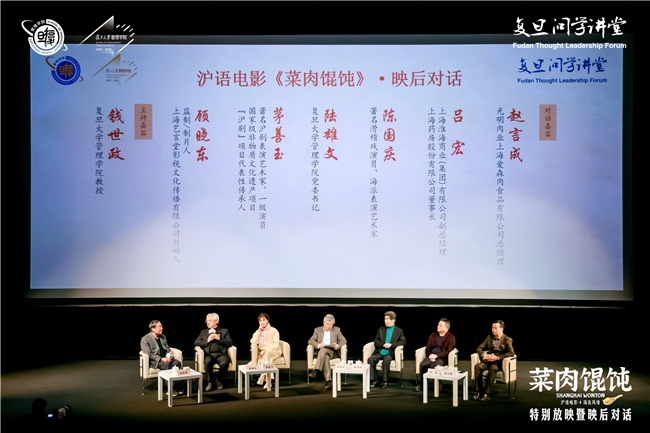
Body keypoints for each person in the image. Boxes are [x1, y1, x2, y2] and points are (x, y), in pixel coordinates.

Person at [474, 319, 515, 401]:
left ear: (501, 328)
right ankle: (479, 391)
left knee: (492, 368)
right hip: (488, 360)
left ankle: (487, 393)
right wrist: (484, 355)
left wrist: (498, 357)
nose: (493, 330)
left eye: (495, 328)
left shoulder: (507, 339)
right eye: (492, 328)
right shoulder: (489, 337)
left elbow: (511, 353)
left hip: (498, 363)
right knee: (477, 366)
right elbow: (479, 348)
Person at [140, 320, 183, 395]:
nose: (162, 328)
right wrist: (161, 359)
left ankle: (178, 386)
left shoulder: (163, 337)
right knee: (166, 365)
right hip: (155, 361)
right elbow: (148, 353)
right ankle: (171, 389)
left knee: (177, 363)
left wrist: (170, 355)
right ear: (153, 329)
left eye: (162, 326)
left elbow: (168, 349)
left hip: (166, 358)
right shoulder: (145, 339)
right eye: (160, 326)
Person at [194, 312, 233, 391]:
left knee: (225, 362)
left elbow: (230, 343)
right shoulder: (204, 332)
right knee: (208, 362)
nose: (208, 322)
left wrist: (219, 339)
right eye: (207, 321)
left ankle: (219, 379)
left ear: (216, 321)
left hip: (221, 354)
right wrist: (207, 340)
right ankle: (210, 382)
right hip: (209, 354)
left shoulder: (224, 331)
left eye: (210, 320)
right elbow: (196, 342)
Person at [415, 318, 456, 392]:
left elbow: (448, 351)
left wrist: (437, 356)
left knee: (434, 365)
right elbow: (428, 347)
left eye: (440, 325)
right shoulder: (433, 335)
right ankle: (422, 384)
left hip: (442, 358)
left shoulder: (451, 338)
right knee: (423, 364)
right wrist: (431, 355)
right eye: (438, 325)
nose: (438, 326)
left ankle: (437, 384)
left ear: (446, 328)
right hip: (431, 356)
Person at [308, 314, 347, 390]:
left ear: (333, 324)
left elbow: (343, 340)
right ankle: (328, 382)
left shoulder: (336, 330)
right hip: (321, 352)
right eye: (327, 324)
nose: (328, 326)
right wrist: (319, 345)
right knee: (325, 356)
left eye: (330, 325)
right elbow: (311, 340)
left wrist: (337, 346)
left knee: (324, 350)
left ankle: (316, 371)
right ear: (324, 322)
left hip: (332, 352)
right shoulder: (317, 330)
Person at [368, 311, 406, 389]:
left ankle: (385, 381)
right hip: (380, 351)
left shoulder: (399, 331)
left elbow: (403, 341)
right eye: (385, 319)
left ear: (393, 320)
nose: (385, 321)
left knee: (386, 360)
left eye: (387, 319)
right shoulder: (381, 329)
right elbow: (376, 340)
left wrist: (391, 345)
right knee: (370, 359)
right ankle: (375, 380)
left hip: (390, 353)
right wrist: (383, 344)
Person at [250, 313, 281, 386]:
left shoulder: (273, 330)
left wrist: (267, 349)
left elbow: (276, 344)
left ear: (267, 320)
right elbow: (252, 341)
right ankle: (268, 381)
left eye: (263, 320)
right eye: (260, 321)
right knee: (269, 360)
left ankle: (262, 375)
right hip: (265, 352)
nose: (262, 322)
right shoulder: (258, 332)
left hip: (275, 350)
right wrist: (258, 332)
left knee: (267, 354)